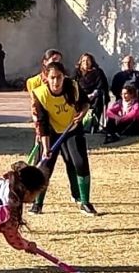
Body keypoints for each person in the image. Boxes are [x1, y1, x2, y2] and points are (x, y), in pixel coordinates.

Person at [30, 61, 98, 216]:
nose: (56, 81)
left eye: (59, 77)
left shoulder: (72, 86)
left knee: (80, 162)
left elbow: (85, 102)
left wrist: (82, 113)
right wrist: (46, 148)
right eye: (52, 77)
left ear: (64, 76)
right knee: (45, 167)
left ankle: (85, 202)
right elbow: (42, 123)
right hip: (51, 132)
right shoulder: (40, 94)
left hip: (72, 129)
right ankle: (37, 203)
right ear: (46, 77)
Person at [26, 49, 63, 164]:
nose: (56, 63)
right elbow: (34, 105)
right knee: (42, 154)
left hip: (60, 120)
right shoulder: (33, 82)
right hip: (43, 120)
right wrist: (37, 125)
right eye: (53, 60)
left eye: (59, 61)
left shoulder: (63, 79)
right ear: (45, 62)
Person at [74, 53, 109, 134]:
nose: (86, 63)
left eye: (88, 60)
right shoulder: (77, 72)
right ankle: (78, 125)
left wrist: (92, 95)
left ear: (92, 62)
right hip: (80, 96)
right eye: (83, 61)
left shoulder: (98, 72)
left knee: (98, 99)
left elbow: (101, 86)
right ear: (80, 62)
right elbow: (73, 85)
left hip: (94, 96)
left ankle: (93, 126)